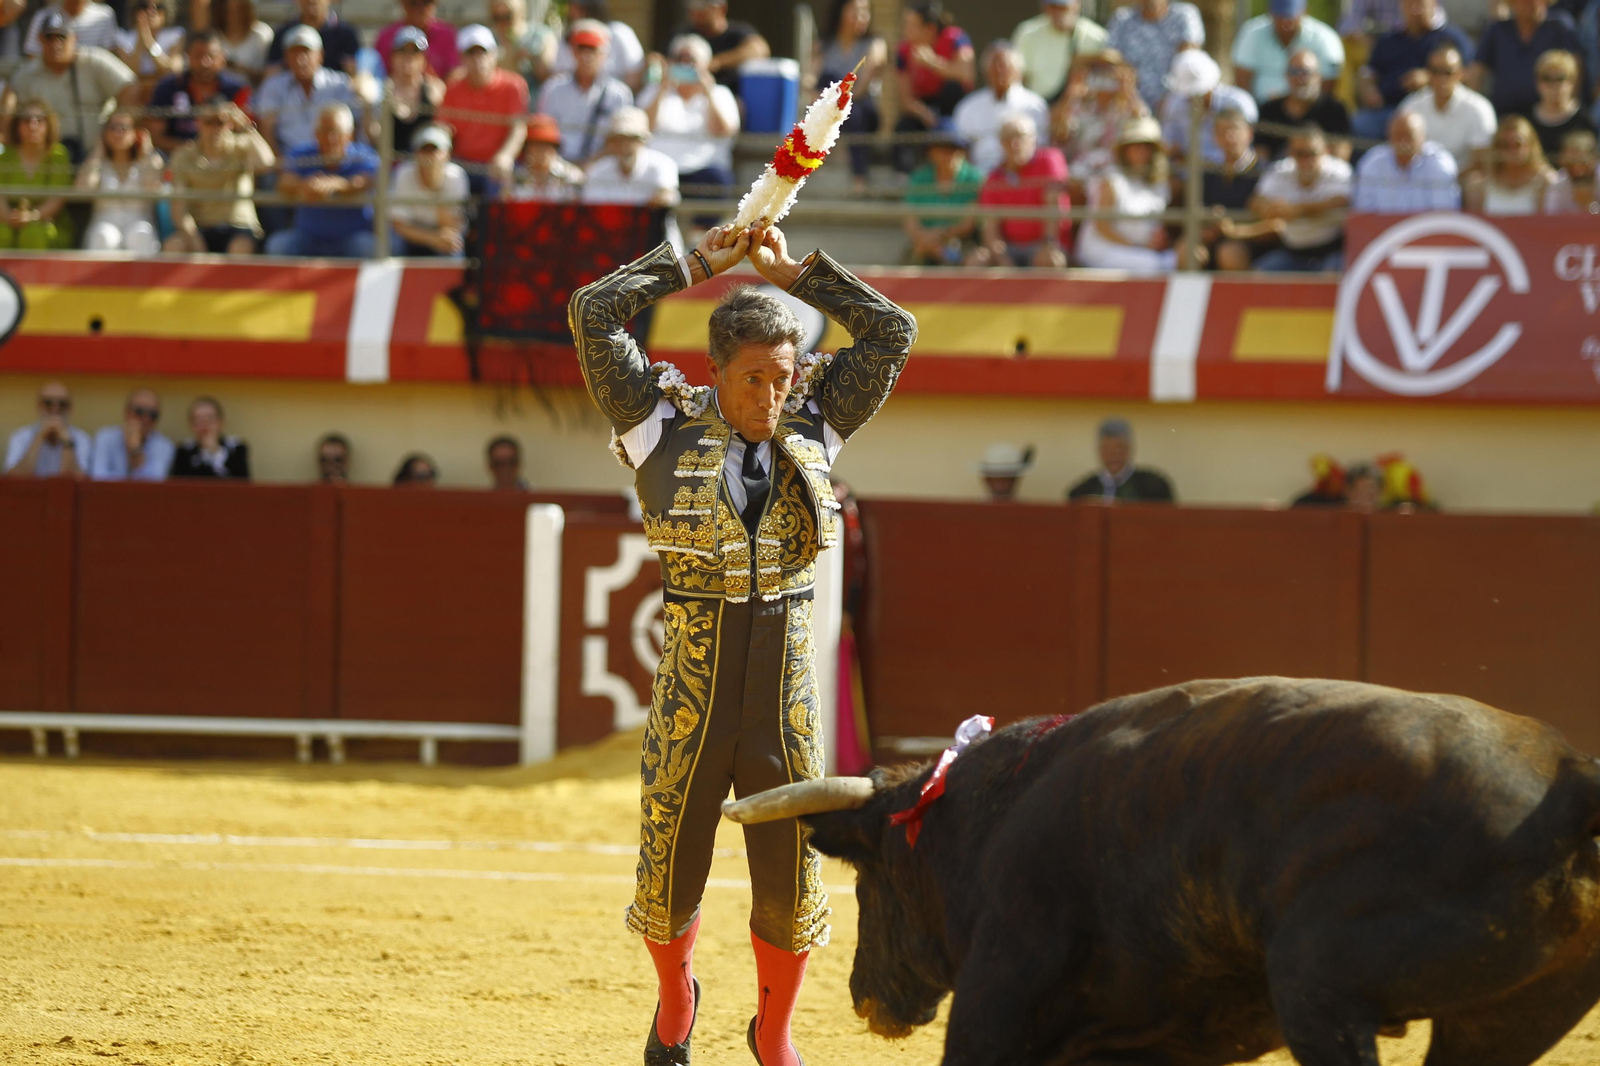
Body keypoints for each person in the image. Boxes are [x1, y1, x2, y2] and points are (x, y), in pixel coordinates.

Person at [569, 216, 916, 1066]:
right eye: (751, 379)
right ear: (714, 371)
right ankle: (677, 997)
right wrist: (691, 265)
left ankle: (775, 1032)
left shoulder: (815, 424)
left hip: (786, 704)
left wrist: (800, 278)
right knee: (670, 869)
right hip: (693, 695)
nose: (767, 397)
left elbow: (893, 332)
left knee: (790, 880)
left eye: (781, 377)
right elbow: (591, 312)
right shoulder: (658, 424)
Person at [6, 14, 136, 163]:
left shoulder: (94, 60)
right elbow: (8, 103)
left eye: (62, 37)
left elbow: (131, 87)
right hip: (48, 160)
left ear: (75, 38)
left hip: (98, 156)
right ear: (40, 40)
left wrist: (116, 127)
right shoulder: (27, 73)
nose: (56, 43)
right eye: (50, 37)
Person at [265, 102, 379, 257]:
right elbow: (284, 182)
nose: (330, 138)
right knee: (278, 245)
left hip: (351, 238)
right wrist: (305, 185)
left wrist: (334, 184)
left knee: (368, 246)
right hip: (308, 238)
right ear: (316, 134)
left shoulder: (364, 155)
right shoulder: (302, 153)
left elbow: (366, 180)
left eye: (336, 132)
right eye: (324, 132)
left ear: (349, 135)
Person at [1352, 0, 1474, 141]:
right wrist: (1369, 89)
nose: (1415, 10)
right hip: (1386, 110)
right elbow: (1368, 72)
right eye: (1409, 4)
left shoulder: (1453, 38)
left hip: (1431, 111)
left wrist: (1431, 78)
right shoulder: (1388, 39)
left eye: (1420, 4)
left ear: (1434, 4)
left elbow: (1468, 73)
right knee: (1360, 124)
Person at [639, 34, 739, 202]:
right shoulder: (654, 91)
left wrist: (708, 92)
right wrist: (662, 88)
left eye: (691, 60)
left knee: (717, 179)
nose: (685, 64)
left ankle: (701, 229)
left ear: (705, 64)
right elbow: (643, 127)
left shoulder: (720, 93)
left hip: (704, 169)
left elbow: (723, 131)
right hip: (660, 170)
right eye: (679, 59)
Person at [164, 101, 272, 254]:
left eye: (220, 122)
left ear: (229, 124)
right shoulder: (184, 155)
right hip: (200, 227)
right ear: (198, 123)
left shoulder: (242, 147)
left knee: (240, 248)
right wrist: (195, 242)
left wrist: (245, 125)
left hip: (239, 226)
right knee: (173, 246)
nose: (214, 128)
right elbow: (179, 209)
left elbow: (267, 163)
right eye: (209, 122)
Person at [1077, 115, 1180, 270]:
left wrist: (1156, 241)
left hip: (1141, 251)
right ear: (1125, 151)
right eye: (1135, 145)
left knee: (1176, 260)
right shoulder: (1112, 181)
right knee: (1149, 265)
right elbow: (1101, 226)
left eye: (1147, 146)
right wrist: (1138, 246)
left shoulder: (1159, 185)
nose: (1142, 151)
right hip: (1104, 249)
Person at [968, 112, 1070, 267]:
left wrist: (1047, 244)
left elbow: (1053, 208)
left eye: (1021, 136)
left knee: (1050, 260)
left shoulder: (1050, 159)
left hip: (1046, 244)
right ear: (1001, 143)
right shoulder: (994, 178)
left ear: (1034, 139)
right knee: (977, 261)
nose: (1015, 143)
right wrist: (1002, 259)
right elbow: (991, 227)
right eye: (1008, 138)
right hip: (1010, 248)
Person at [1250, 125, 1353, 271]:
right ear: (1290, 152)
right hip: (1291, 251)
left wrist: (1298, 210)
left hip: (1332, 250)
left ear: (1325, 151)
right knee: (1259, 276)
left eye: (1312, 153)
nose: (1306, 160)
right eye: (1300, 153)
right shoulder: (1280, 170)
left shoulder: (1338, 170)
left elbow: (1342, 200)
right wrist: (1272, 208)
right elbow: (1256, 201)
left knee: (1332, 281)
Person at [811, 0, 887, 190]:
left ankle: (859, 176)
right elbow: (810, 81)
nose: (863, 17)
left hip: (862, 110)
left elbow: (861, 88)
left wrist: (836, 99)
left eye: (866, 12)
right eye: (856, 11)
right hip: (831, 105)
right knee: (829, 78)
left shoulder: (875, 44)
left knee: (855, 114)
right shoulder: (824, 45)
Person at [255, 24, 362, 157]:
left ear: (320, 55)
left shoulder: (340, 84)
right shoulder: (272, 86)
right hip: (288, 163)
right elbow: (266, 129)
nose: (301, 59)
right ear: (286, 57)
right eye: (295, 53)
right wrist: (280, 165)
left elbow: (353, 127)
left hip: (333, 161)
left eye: (306, 52)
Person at [892, 2, 976, 171]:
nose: (905, 30)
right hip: (924, 108)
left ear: (929, 28)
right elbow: (905, 98)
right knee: (903, 126)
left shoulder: (955, 38)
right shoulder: (903, 51)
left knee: (952, 89)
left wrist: (933, 63)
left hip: (953, 107)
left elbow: (967, 75)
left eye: (911, 25)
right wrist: (925, 114)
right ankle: (903, 176)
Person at [535, 19, 631, 164]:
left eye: (592, 49)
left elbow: (621, 139)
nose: (586, 56)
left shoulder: (619, 94)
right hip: (557, 167)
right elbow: (543, 133)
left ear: (604, 53)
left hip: (602, 168)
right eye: (581, 48)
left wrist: (588, 165)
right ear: (572, 51)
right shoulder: (553, 88)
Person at [1468, 0, 1586, 117]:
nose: (1529, 3)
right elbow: (1477, 71)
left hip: (1549, 116)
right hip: (1505, 115)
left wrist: (1570, 110)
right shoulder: (1497, 30)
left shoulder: (1559, 27)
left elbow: (1575, 68)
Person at [145, 31, 253, 155]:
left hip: (227, 157)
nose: (204, 62)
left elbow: (247, 131)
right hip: (178, 157)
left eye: (211, 56)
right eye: (198, 55)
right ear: (187, 56)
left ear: (222, 58)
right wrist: (194, 152)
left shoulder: (238, 88)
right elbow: (155, 136)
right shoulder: (167, 87)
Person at [952, 41, 1051, 174]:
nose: (999, 70)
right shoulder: (968, 107)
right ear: (985, 70)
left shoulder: (1035, 105)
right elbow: (959, 150)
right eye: (994, 65)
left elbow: (1041, 148)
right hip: (980, 180)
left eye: (1005, 65)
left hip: (1023, 179)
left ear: (1019, 70)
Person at [76, 108, 164, 254]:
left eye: (124, 128)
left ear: (136, 133)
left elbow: (153, 190)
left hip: (139, 221)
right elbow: (83, 190)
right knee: (104, 236)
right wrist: (98, 152)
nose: (118, 133)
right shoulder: (97, 163)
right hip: (105, 221)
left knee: (141, 234)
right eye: (112, 128)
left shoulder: (150, 161)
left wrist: (147, 151)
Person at [1397, 44, 1496, 167]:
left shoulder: (1479, 108)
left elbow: (1480, 162)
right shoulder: (1411, 106)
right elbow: (1398, 152)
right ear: (1427, 73)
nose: (1441, 78)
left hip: (1462, 181)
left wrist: (1447, 179)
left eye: (1448, 72)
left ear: (1461, 74)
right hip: (1419, 181)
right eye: (1435, 71)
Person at [1057, 49, 1149, 181]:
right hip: (1082, 169)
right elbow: (1061, 132)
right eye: (1097, 69)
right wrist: (1071, 94)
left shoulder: (1128, 104)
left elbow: (1144, 122)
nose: (1103, 74)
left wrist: (1128, 91)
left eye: (1110, 69)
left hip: (1118, 171)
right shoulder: (1079, 104)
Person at [1202, 109, 1277, 270]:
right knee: (1187, 250)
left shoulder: (1267, 171)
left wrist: (1236, 231)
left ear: (1249, 133)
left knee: (1230, 253)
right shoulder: (1208, 174)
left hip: (1255, 244)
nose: (1229, 136)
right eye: (1222, 131)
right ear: (1215, 137)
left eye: (1234, 129)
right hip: (1216, 240)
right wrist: (1208, 228)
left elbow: (1274, 227)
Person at [1158, 48, 1257, 166]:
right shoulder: (1174, 105)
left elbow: (1251, 148)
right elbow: (1168, 144)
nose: (1193, 97)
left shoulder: (1239, 102)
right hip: (1188, 175)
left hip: (1234, 173)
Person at [1233, 0, 1345, 103]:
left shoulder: (1325, 38)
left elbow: (1329, 85)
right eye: (1280, 16)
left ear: (1304, 12)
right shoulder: (1252, 33)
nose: (1285, 23)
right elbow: (1242, 81)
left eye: (1290, 16)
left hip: (1311, 115)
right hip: (1261, 112)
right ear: (1270, 13)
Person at [902, 121, 983, 265]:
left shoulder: (974, 178)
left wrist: (938, 237)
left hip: (964, 244)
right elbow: (910, 221)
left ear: (963, 152)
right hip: (923, 243)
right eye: (942, 148)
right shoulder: (919, 178)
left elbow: (968, 224)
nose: (948, 154)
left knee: (975, 261)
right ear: (931, 151)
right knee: (914, 259)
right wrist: (927, 241)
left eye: (953, 148)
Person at [0, 100, 77, 249]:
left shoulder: (58, 155)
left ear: (49, 125)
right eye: (27, 120)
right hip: (8, 221)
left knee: (33, 234)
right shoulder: (5, 156)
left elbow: (57, 199)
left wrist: (32, 217)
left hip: (49, 223)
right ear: (17, 125)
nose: (33, 125)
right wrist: (8, 216)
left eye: (39, 120)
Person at [1352, 109, 1461, 209]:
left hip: (1429, 229)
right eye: (1398, 136)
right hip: (1383, 230)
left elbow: (1444, 213)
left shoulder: (1439, 163)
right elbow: (1364, 213)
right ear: (1389, 136)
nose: (1403, 142)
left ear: (1423, 137)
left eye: (1409, 136)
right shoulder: (1372, 163)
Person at [1104, 0, 1204, 108]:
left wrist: (1172, 97)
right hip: (1131, 98)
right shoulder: (1123, 18)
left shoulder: (1185, 14)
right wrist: (1128, 89)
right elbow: (1111, 56)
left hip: (1174, 99)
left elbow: (1190, 55)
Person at [1257, 50, 1353, 158]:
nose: (1300, 78)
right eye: (1294, 71)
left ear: (1318, 76)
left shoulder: (1335, 109)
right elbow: (1261, 152)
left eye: (1306, 72)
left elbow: (1342, 152)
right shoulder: (1269, 109)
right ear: (1286, 75)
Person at [390, 124, 466, 256]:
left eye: (434, 150)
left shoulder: (456, 176)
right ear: (415, 153)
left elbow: (451, 226)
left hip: (440, 234)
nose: (429, 156)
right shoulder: (403, 173)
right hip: (412, 236)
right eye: (424, 150)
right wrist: (432, 239)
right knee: (391, 245)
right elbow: (398, 225)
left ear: (447, 153)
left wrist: (435, 187)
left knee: (453, 247)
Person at [1012, 0, 1107, 104]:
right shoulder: (1027, 33)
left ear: (1077, 5)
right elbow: (1016, 79)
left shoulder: (1097, 38)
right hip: (1035, 107)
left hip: (1079, 109)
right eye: (1053, 6)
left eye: (1063, 7)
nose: (1057, 12)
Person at [582, 106, 679, 207]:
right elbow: (593, 207)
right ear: (611, 142)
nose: (625, 145)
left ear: (643, 141)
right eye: (619, 138)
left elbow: (667, 197)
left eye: (632, 139)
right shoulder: (598, 171)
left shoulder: (662, 165)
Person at [1463, 113, 1556, 212]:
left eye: (1517, 144)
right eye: (1504, 145)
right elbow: (1475, 225)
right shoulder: (1478, 185)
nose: (1510, 150)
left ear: (1530, 145)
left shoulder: (1546, 181)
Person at [1066, 417, 1174, 501]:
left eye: (1120, 448)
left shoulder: (1154, 487)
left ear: (1130, 449)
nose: (1114, 455)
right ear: (1099, 451)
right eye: (1107, 449)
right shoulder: (1082, 492)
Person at [5, 381, 91, 478]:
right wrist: (39, 437)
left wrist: (67, 442)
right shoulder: (21, 436)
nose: (55, 409)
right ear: (39, 405)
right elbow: (14, 479)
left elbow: (78, 481)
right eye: (48, 403)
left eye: (62, 404)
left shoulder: (81, 438)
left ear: (70, 408)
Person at [682, 0, 768, 95]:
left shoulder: (737, 33)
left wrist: (715, 63)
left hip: (730, 97)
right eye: (693, 9)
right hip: (691, 99)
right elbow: (665, 61)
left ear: (722, 8)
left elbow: (759, 49)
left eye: (703, 8)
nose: (696, 14)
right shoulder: (683, 34)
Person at [383, 26, 443, 157]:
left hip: (424, 164)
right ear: (393, 56)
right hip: (390, 163)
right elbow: (373, 134)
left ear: (424, 59)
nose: (408, 57)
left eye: (415, 51)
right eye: (403, 51)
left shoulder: (435, 90)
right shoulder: (384, 89)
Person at [553, 0, 643, 87]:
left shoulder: (620, 32)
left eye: (579, 7)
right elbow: (558, 76)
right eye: (581, 48)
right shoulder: (568, 37)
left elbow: (635, 77)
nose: (573, 12)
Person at [90, 387, 172, 481]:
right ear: (126, 412)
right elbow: (98, 477)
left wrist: (136, 451)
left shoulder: (164, 446)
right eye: (139, 411)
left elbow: (153, 484)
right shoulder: (105, 437)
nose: (146, 419)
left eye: (153, 414)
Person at [263, 0, 360, 77]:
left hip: (336, 97)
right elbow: (271, 73)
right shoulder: (283, 33)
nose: (312, 0)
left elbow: (354, 74)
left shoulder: (346, 33)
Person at [1529, 49, 1596, 157]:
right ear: (1537, 82)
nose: (1553, 84)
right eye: (1546, 78)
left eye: (1560, 78)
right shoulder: (1527, 122)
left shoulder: (1585, 120)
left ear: (1573, 81)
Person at [114, 0, 184, 98]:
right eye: (144, 6)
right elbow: (127, 74)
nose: (151, 12)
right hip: (135, 98)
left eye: (159, 7)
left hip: (165, 96)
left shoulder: (176, 35)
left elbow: (173, 72)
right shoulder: (122, 37)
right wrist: (140, 42)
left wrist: (150, 44)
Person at [506, 113, 584, 200]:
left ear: (555, 148)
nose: (542, 151)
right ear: (527, 149)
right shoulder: (517, 180)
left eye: (547, 145)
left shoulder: (572, 177)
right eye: (536, 145)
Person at [169, 396, 249, 478]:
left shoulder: (236, 448)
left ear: (220, 422)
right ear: (191, 425)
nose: (204, 425)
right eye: (198, 419)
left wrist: (214, 452)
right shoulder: (183, 451)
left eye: (210, 418)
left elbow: (242, 483)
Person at [374, 0, 457, 78]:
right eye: (413, 3)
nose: (420, 8)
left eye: (426, 2)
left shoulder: (447, 35)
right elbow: (378, 74)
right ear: (403, 3)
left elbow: (455, 72)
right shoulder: (387, 37)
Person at [492, 0, 557, 95]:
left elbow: (548, 74)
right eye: (497, 17)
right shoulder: (489, 40)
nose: (503, 22)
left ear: (521, 11)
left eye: (508, 16)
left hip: (533, 101)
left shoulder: (541, 36)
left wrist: (532, 57)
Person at [23, 0, 116, 55]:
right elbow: (32, 56)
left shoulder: (105, 16)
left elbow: (109, 57)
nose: (57, 43)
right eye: (51, 38)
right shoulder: (43, 16)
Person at [215, 0, 274, 83]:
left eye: (239, 9)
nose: (234, 15)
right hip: (221, 93)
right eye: (229, 10)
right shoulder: (214, 36)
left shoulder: (262, 34)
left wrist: (239, 68)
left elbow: (269, 73)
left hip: (254, 93)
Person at [1545, 128, 1600, 210]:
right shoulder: (1557, 182)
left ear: (1594, 159)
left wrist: (1589, 204)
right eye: (1570, 164)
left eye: (1583, 163)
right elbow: (1552, 216)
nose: (1578, 171)